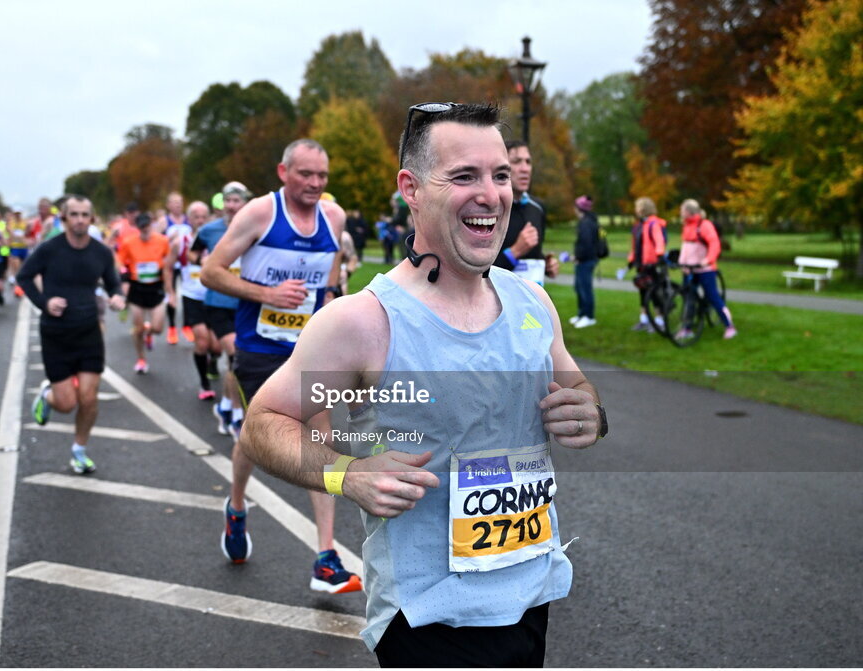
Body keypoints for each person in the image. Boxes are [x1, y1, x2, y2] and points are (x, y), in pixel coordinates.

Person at [237, 103, 605, 666]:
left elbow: (579, 391)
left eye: (500, 175)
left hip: (531, 593)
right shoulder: (362, 322)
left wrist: (591, 413)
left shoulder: (532, 302)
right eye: (464, 176)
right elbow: (263, 423)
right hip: (427, 616)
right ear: (411, 188)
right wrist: (346, 474)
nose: (492, 194)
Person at [200, 143, 362, 594]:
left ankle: (325, 558)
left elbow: (329, 274)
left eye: (322, 176)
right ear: (283, 172)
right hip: (260, 348)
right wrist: (265, 294)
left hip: (310, 349)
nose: (315, 184)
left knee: (321, 440)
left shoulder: (334, 218)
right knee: (255, 441)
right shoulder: (259, 214)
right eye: (306, 174)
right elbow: (211, 272)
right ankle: (236, 506)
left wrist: (330, 305)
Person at [19, 196, 126, 474]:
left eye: (85, 214)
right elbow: (24, 277)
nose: (79, 219)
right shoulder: (50, 249)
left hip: (89, 332)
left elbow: (115, 284)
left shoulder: (101, 252)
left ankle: (79, 450)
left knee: (89, 398)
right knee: (66, 404)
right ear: (64, 218)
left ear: (92, 219)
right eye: (74, 214)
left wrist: (117, 297)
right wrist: (45, 303)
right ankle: (48, 396)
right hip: (56, 334)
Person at [190, 182, 251, 436]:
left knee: (235, 360)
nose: (232, 206)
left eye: (237, 201)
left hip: (246, 302)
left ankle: (226, 406)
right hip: (218, 303)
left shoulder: (256, 228)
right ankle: (237, 415)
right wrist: (204, 260)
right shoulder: (209, 230)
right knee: (236, 356)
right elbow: (193, 255)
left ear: (245, 203)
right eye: (228, 201)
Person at [494, 140, 560, 285]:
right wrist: (515, 251)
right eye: (517, 162)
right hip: (499, 302)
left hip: (533, 301)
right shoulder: (490, 208)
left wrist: (545, 264)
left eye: (528, 162)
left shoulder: (538, 207)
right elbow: (478, 270)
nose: (525, 169)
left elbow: (533, 255)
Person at [116, 213, 175, 373]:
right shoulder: (129, 243)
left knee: (157, 328)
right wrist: (123, 274)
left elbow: (168, 265)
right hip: (137, 287)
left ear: (152, 225)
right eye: (141, 228)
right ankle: (141, 359)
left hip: (156, 287)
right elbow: (119, 260)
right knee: (137, 328)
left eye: (147, 227)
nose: (145, 231)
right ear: (137, 228)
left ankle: (149, 333)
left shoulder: (162, 241)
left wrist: (171, 292)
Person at [677, 199, 736, 339]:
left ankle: (729, 326)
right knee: (688, 298)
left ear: (689, 211)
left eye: (682, 210)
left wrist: (707, 260)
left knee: (713, 296)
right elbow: (686, 248)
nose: (680, 212)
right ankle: (687, 328)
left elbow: (714, 244)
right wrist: (682, 263)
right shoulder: (686, 226)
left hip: (705, 269)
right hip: (689, 269)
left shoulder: (704, 225)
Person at [176, 200, 217, 400]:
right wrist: (169, 293)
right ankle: (204, 383)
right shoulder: (180, 240)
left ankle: (214, 360)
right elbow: (168, 266)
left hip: (215, 295)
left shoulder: (216, 239)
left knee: (217, 346)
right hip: (192, 296)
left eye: (203, 216)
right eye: (196, 216)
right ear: (189, 218)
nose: (200, 220)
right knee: (201, 341)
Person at [627, 197, 668, 332]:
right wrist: (631, 260)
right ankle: (644, 320)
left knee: (655, 293)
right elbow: (636, 245)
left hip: (651, 264)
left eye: (637, 207)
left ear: (643, 209)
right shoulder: (639, 225)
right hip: (641, 264)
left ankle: (659, 321)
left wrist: (658, 258)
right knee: (643, 292)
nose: (635, 210)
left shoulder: (653, 224)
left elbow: (659, 242)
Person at [162, 192, 187, 345]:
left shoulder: (189, 220)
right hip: (170, 264)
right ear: (168, 205)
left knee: (187, 295)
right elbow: (155, 241)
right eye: (174, 202)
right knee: (171, 295)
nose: (177, 205)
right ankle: (171, 327)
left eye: (180, 202)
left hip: (186, 265)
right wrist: (168, 239)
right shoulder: (163, 222)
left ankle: (187, 325)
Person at [571, 195, 599, 328]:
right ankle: (581, 314)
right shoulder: (587, 221)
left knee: (585, 289)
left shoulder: (586, 223)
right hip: (584, 260)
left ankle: (589, 316)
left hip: (585, 261)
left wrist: (578, 257)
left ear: (579, 208)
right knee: (579, 287)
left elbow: (586, 244)